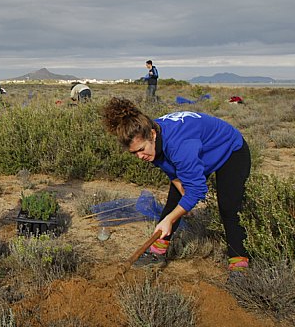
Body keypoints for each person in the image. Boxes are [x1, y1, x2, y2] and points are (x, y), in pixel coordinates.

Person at [102, 97, 251, 275]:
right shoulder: (151, 139)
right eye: (134, 153)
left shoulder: (180, 145)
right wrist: (181, 192)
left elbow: (198, 190)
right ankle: (157, 253)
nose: (140, 156)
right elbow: (170, 169)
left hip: (230, 150)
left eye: (141, 150)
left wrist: (170, 219)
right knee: (174, 200)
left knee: (229, 208)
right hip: (199, 151)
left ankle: (239, 263)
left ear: (153, 135)